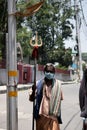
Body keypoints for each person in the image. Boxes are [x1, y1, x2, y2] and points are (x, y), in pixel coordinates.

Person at [29, 63, 63, 130]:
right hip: (41, 117)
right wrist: (33, 90)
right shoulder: (38, 84)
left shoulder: (58, 85)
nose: (49, 73)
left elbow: (60, 99)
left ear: (54, 73)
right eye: (47, 71)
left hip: (53, 117)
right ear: (44, 72)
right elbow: (31, 99)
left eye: (51, 72)